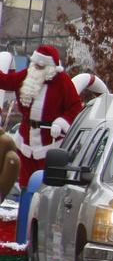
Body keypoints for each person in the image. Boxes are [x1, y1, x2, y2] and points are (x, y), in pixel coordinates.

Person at [0, 45, 82, 192]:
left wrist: (62, 122)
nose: (36, 68)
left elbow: (75, 106)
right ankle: (25, 209)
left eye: (40, 65)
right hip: (25, 139)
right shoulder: (28, 74)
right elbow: (6, 81)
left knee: (44, 185)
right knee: (25, 182)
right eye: (35, 64)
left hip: (49, 141)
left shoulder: (62, 80)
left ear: (50, 67)